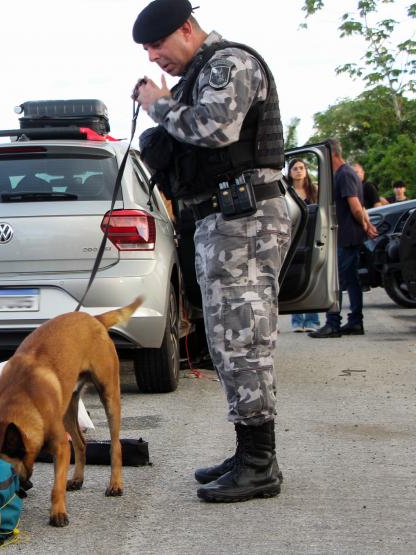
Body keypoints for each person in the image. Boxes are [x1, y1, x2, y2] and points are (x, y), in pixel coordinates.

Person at [133, 0, 290, 502]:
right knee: (227, 339)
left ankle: (260, 462)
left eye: (158, 44)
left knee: (241, 336)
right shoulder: (200, 73)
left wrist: (158, 104)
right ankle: (249, 452)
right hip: (222, 220)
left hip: (243, 220)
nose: (155, 56)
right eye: (147, 50)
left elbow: (215, 128)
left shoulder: (229, 64)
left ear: (186, 29)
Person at [309, 139, 378, 339]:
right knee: (352, 280)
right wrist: (367, 225)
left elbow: (355, 206)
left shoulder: (344, 174)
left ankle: (333, 323)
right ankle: (355, 322)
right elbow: (361, 207)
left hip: (346, 236)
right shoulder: (348, 173)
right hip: (350, 234)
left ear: (331, 154)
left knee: (335, 280)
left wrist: (364, 224)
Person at [287, 159, 321, 332]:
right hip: (293, 238)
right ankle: (297, 321)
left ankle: (313, 321)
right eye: (295, 168)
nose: (299, 171)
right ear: (290, 172)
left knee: (312, 275)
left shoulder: (314, 190)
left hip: (311, 238)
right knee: (295, 277)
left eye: (301, 168)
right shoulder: (286, 191)